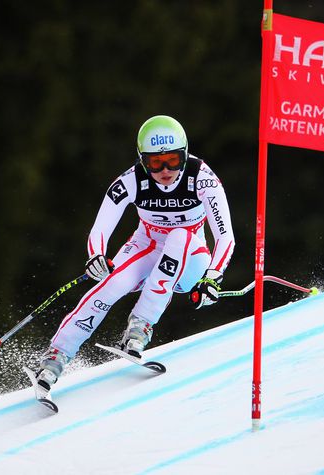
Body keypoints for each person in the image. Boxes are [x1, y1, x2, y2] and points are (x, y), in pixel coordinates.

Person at [35, 115, 235, 394]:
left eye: (173, 160)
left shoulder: (202, 179)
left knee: (179, 235)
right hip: (148, 244)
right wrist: (96, 256)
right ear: (142, 160)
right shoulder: (131, 180)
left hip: (192, 256)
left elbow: (225, 235)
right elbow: (101, 227)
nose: (165, 169)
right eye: (155, 162)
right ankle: (56, 357)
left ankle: (140, 326)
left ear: (185, 155)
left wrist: (212, 277)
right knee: (113, 284)